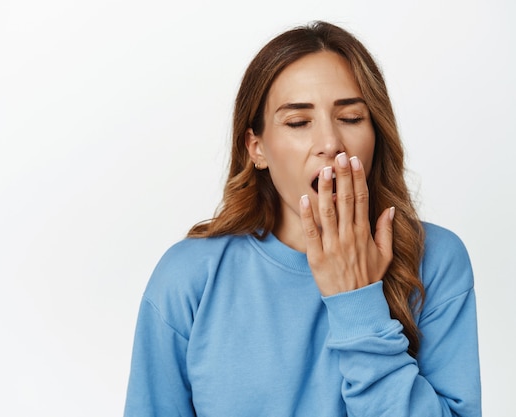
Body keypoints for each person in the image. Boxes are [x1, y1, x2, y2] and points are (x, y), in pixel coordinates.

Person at [124, 21, 481, 416]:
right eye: (298, 122)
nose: (330, 144)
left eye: (351, 118)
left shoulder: (435, 260)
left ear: (376, 133)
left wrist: (358, 307)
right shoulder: (189, 277)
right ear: (256, 148)